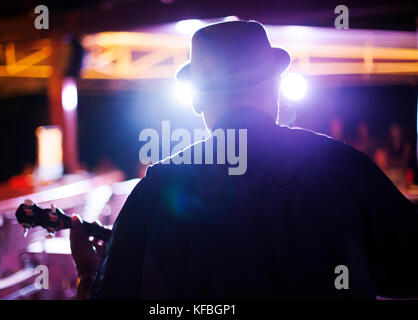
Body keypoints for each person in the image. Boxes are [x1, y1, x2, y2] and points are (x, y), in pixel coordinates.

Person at [70, 20, 418, 300]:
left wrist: (89, 274)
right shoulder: (342, 167)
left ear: (195, 101)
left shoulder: (157, 188)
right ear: (277, 89)